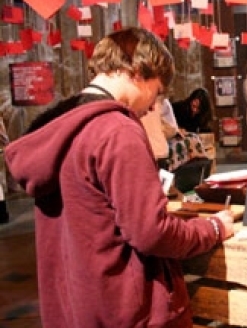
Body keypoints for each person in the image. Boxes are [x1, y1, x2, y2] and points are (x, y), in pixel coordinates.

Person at [4, 28, 234, 327]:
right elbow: (152, 233)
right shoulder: (117, 131)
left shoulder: (61, 126)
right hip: (126, 308)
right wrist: (213, 228)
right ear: (137, 72)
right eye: (157, 90)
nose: (153, 106)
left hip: (77, 305)